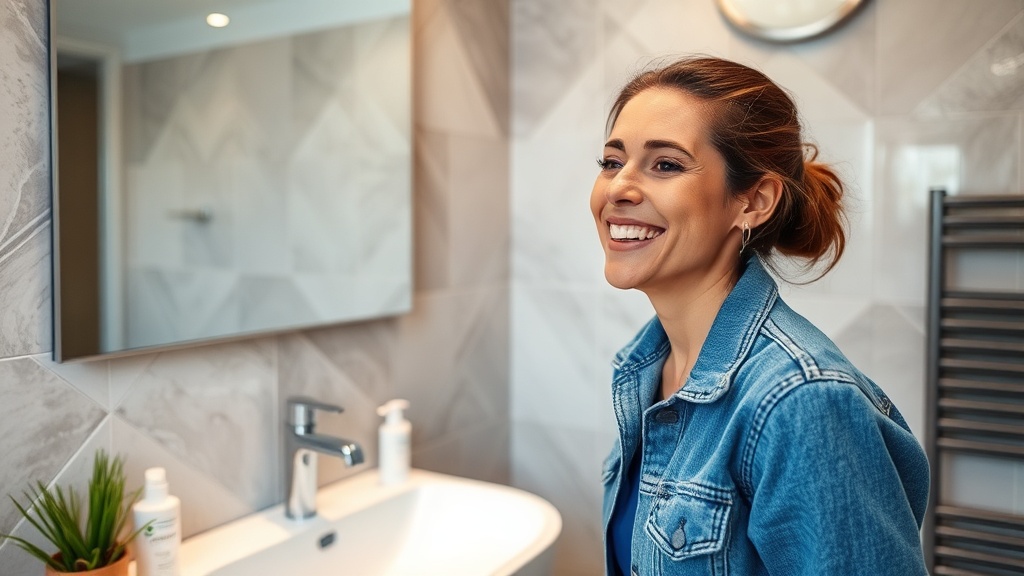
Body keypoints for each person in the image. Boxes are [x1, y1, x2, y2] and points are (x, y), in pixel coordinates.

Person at [593, 56, 930, 576]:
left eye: (665, 165)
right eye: (612, 162)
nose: (618, 188)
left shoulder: (803, 401)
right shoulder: (648, 367)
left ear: (753, 201)